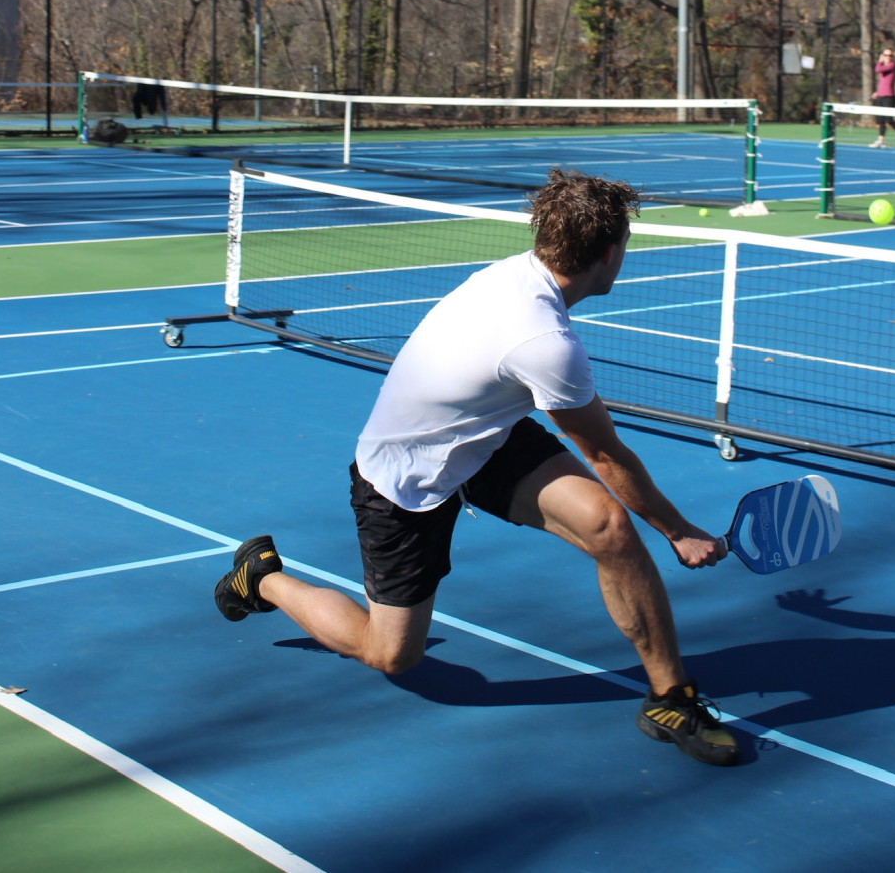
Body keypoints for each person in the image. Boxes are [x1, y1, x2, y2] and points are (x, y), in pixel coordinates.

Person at [214, 170, 739, 767]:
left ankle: (669, 697)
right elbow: (605, 455)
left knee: (608, 527)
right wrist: (679, 531)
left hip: (484, 437)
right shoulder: (543, 340)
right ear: (609, 254)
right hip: (406, 478)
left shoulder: (519, 276)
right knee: (391, 655)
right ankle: (261, 577)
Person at [869, 47, 895, 148]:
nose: (888, 57)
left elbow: (877, 69)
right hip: (880, 96)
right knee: (881, 120)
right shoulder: (883, 66)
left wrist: (879, 61)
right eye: (886, 55)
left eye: (890, 55)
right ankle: (881, 140)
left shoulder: (892, 65)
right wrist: (877, 92)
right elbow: (882, 82)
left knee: (889, 119)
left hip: (889, 96)